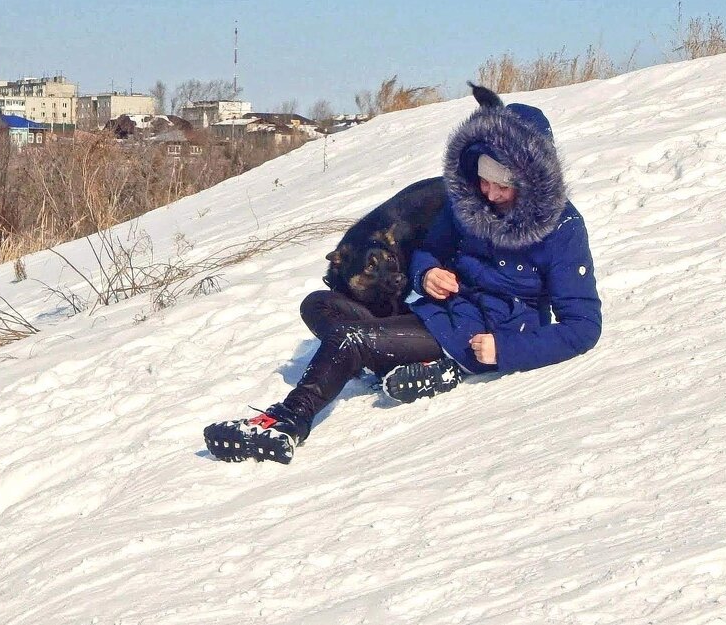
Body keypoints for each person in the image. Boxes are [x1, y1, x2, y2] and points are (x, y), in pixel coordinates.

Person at [203, 84, 602, 464]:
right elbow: (426, 251)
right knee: (320, 306)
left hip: (486, 335)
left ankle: (286, 423)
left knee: (350, 339)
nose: (489, 194)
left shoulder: (563, 229)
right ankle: (413, 367)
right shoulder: (469, 206)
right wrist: (425, 275)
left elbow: (583, 327)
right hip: (442, 314)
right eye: (483, 180)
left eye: (502, 186)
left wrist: (506, 351)